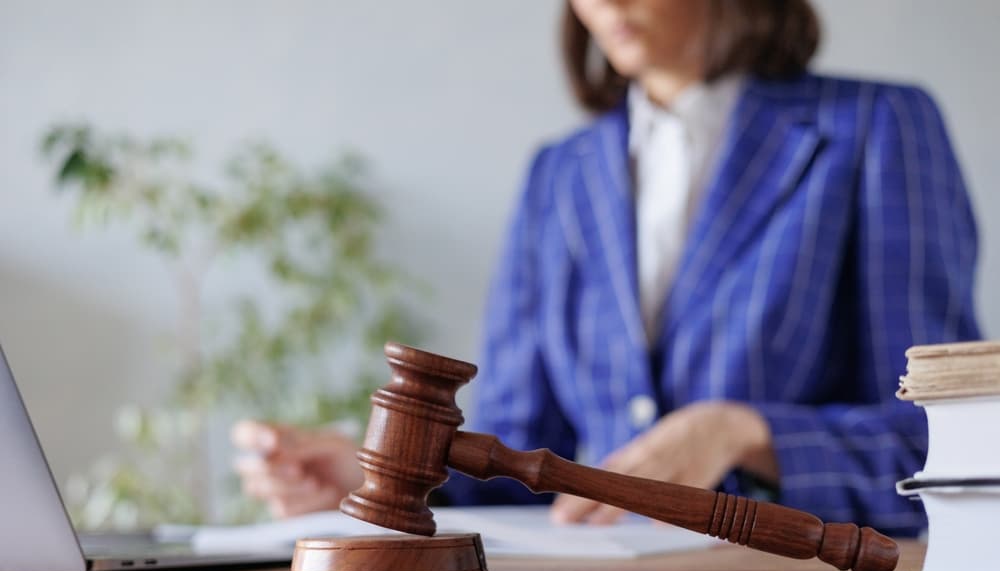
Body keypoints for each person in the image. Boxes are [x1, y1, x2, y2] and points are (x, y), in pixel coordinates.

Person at [232, 0, 980, 536]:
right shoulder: (558, 175)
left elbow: (948, 446)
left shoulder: (877, 128)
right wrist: (386, 474)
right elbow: (519, 452)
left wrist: (745, 431)